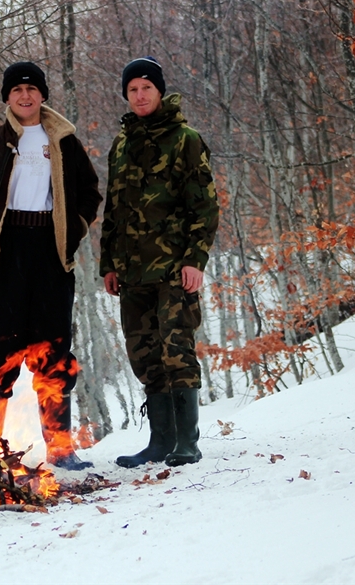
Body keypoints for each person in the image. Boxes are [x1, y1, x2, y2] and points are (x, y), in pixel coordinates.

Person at [0, 61, 102, 471]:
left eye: (32, 90)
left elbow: (89, 193)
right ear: (7, 97)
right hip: (3, 254)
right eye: (17, 90)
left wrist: (76, 229)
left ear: (43, 95)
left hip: (51, 253)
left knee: (53, 351)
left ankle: (62, 450)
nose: (25, 96)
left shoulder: (64, 142)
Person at [99, 56, 219, 468]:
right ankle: (160, 442)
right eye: (132, 89)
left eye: (146, 87)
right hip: (132, 273)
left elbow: (204, 207)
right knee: (145, 355)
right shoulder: (121, 144)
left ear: (160, 91)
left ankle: (188, 441)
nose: (139, 95)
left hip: (173, 269)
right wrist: (108, 265)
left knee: (177, 349)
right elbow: (113, 209)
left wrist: (195, 259)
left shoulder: (185, 139)